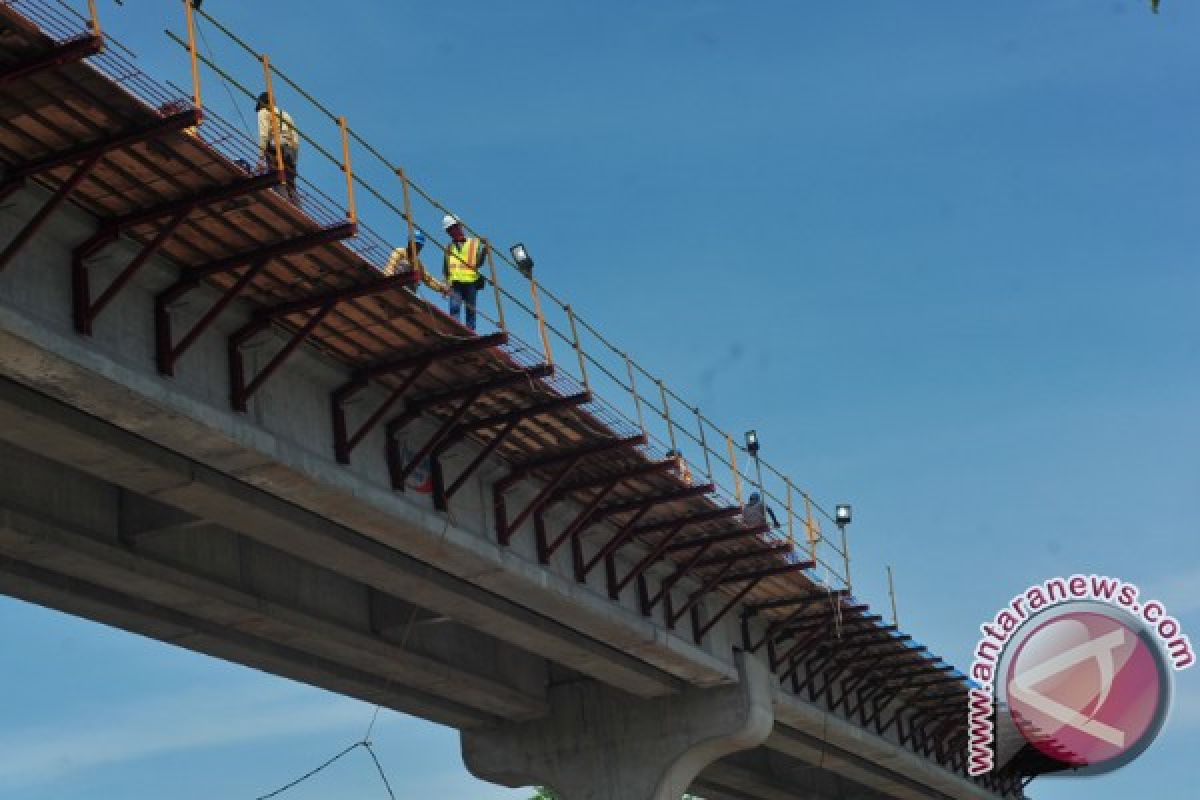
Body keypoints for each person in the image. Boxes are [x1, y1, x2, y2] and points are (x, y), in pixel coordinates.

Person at [441, 214, 488, 330]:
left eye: (453, 228)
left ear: (460, 226)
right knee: (454, 308)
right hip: (455, 282)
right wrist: (445, 284)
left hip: (471, 281)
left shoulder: (473, 243)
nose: (451, 231)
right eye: (449, 230)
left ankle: (470, 333)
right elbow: (446, 269)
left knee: (470, 311)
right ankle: (455, 331)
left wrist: (484, 251)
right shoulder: (449, 247)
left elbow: (478, 263)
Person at [255, 91, 300, 202]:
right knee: (290, 182)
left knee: (277, 177)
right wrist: (294, 159)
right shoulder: (285, 114)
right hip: (291, 150)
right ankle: (296, 206)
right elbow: (295, 138)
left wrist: (260, 158)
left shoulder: (263, 112)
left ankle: (282, 202)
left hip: (277, 148)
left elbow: (264, 135)